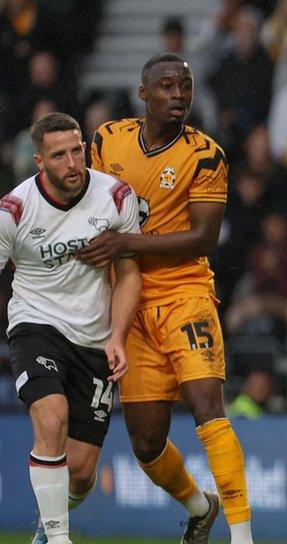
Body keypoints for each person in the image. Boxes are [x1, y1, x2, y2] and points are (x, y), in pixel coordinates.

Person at [75, 53, 255, 544]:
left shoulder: (206, 155)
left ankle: (243, 537)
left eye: (186, 87)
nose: (178, 95)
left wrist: (127, 242)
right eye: (167, 87)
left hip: (185, 294)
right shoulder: (107, 140)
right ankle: (200, 506)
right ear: (144, 94)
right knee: (148, 444)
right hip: (127, 305)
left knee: (207, 409)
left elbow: (203, 238)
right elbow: (85, 207)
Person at [2, 113, 141, 544]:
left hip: (94, 337)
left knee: (80, 474)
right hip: (35, 324)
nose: (72, 162)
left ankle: (49, 525)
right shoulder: (15, 210)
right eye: (59, 155)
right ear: (39, 161)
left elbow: (130, 275)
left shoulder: (116, 197)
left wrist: (117, 335)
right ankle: (60, 540)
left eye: (77, 150)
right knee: (52, 419)